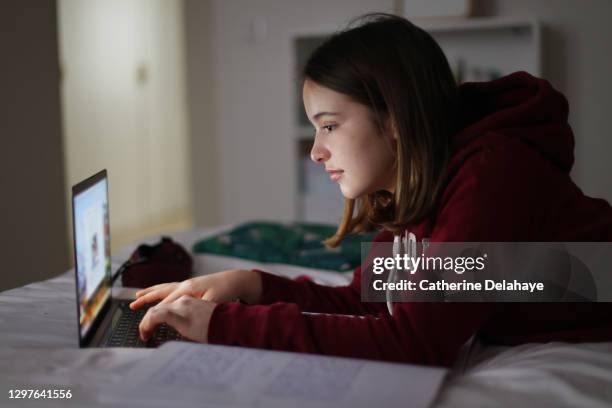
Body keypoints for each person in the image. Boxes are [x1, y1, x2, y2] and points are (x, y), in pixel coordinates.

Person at [130, 13, 612, 366]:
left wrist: (222, 325)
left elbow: (414, 343)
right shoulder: (419, 189)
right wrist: (249, 284)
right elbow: (367, 298)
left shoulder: (493, 175)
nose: (316, 152)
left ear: (395, 119)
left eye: (330, 126)